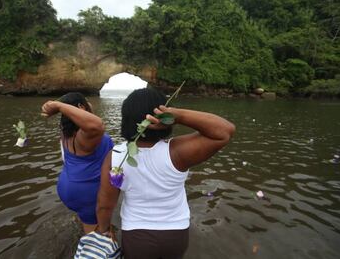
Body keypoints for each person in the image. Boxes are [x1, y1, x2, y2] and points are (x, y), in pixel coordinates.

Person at [96, 88, 235, 259]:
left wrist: (103, 231)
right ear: (164, 119)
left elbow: (105, 205)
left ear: (127, 120)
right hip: (175, 234)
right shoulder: (177, 152)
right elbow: (225, 131)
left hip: (136, 235)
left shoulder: (115, 156)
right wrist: (180, 116)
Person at [41, 92, 113, 234]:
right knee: (98, 236)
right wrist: (59, 105)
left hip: (68, 185)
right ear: (81, 107)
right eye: (87, 102)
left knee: (86, 221)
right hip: (85, 192)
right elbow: (97, 125)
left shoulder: (66, 131)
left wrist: (61, 108)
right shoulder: (85, 136)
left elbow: (88, 120)